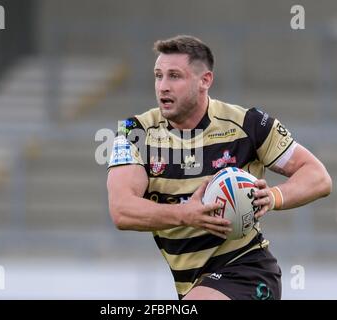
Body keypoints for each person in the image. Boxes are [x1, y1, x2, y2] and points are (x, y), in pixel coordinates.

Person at [106, 35, 332, 300]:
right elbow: (122, 210)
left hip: (248, 272)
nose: (163, 87)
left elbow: (318, 177)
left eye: (175, 76)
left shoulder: (249, 124)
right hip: (192, 282)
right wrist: (185, 214)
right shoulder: (136, 133)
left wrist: (273, 196)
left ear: (205, 81)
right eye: (158, 76)